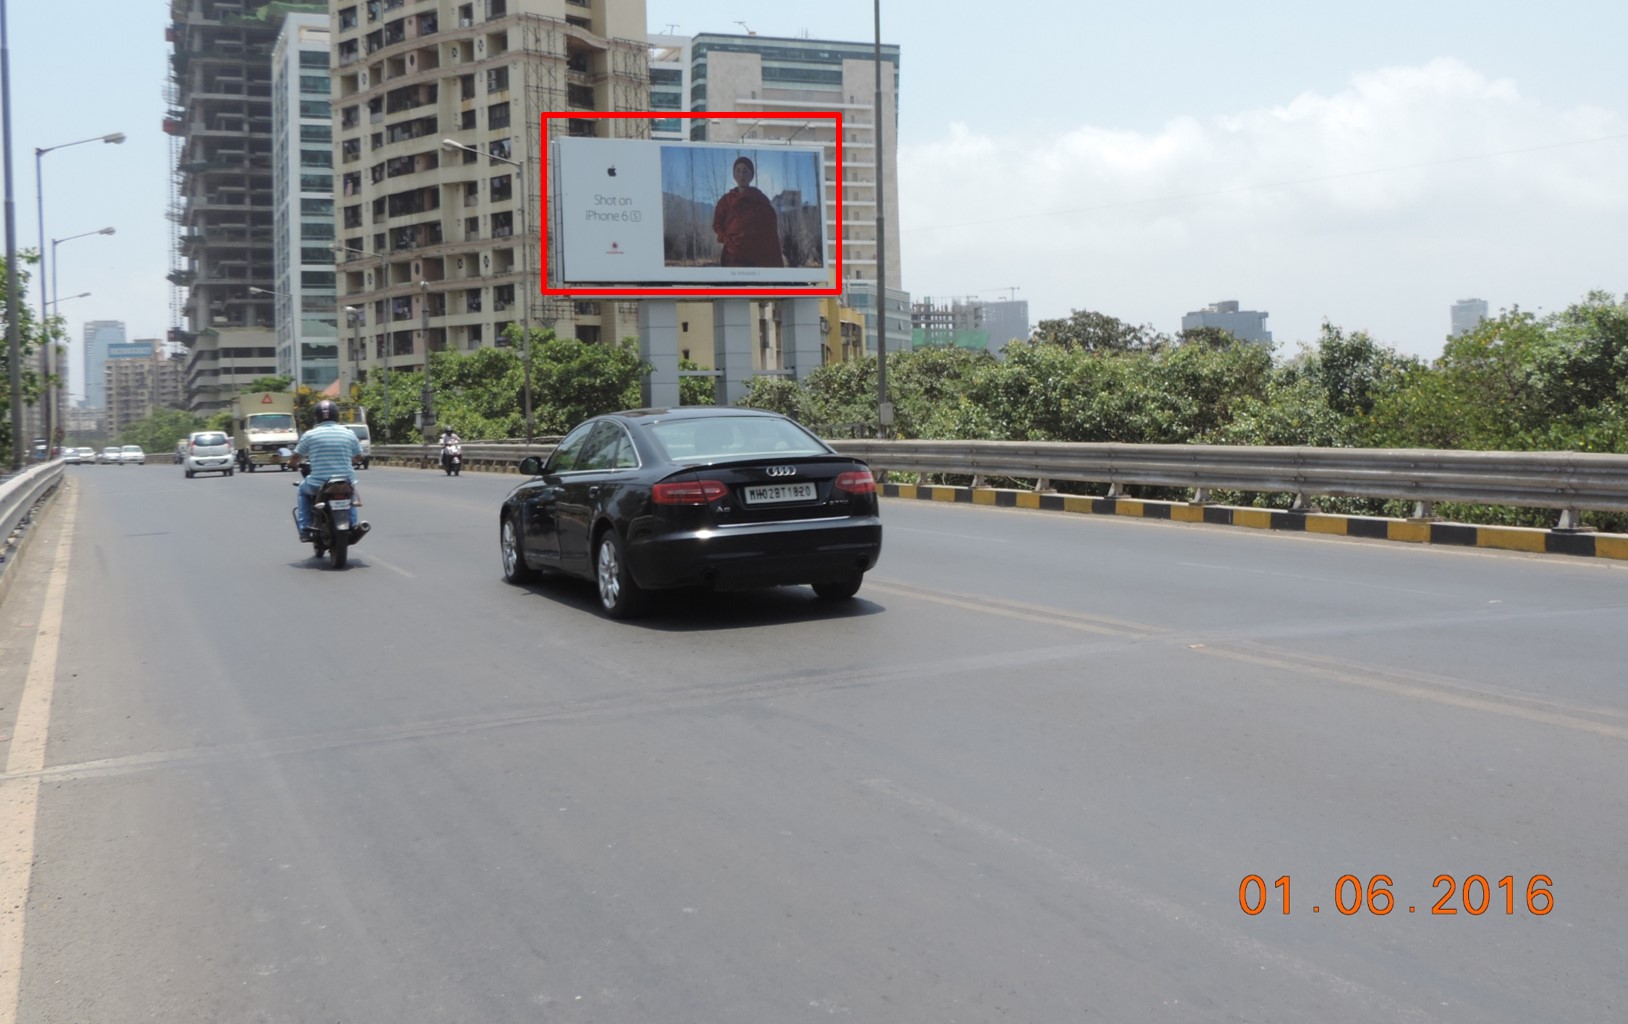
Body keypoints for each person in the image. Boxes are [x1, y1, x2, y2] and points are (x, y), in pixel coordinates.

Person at [288, 400, 365, 542]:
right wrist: (353, 460)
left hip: (319, 483)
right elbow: (359, 456)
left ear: (317, 417)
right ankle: (353, 525)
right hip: (344, 481)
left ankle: (305, 527)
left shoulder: (310, 435)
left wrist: (292, 463)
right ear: (337, 415)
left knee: (302, 490)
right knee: (350, 494)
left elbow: (296, 456)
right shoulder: (348, 433)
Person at [711, 156, 785, 268]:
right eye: (738, 171)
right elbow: (717, 224)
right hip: (733, 254)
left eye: (745, 171)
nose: (741, 175)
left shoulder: (760, 199)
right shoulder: (726, 200)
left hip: (757, 256)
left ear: (751, 175)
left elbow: (769, 228)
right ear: (734, 175)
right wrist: (726, 238)